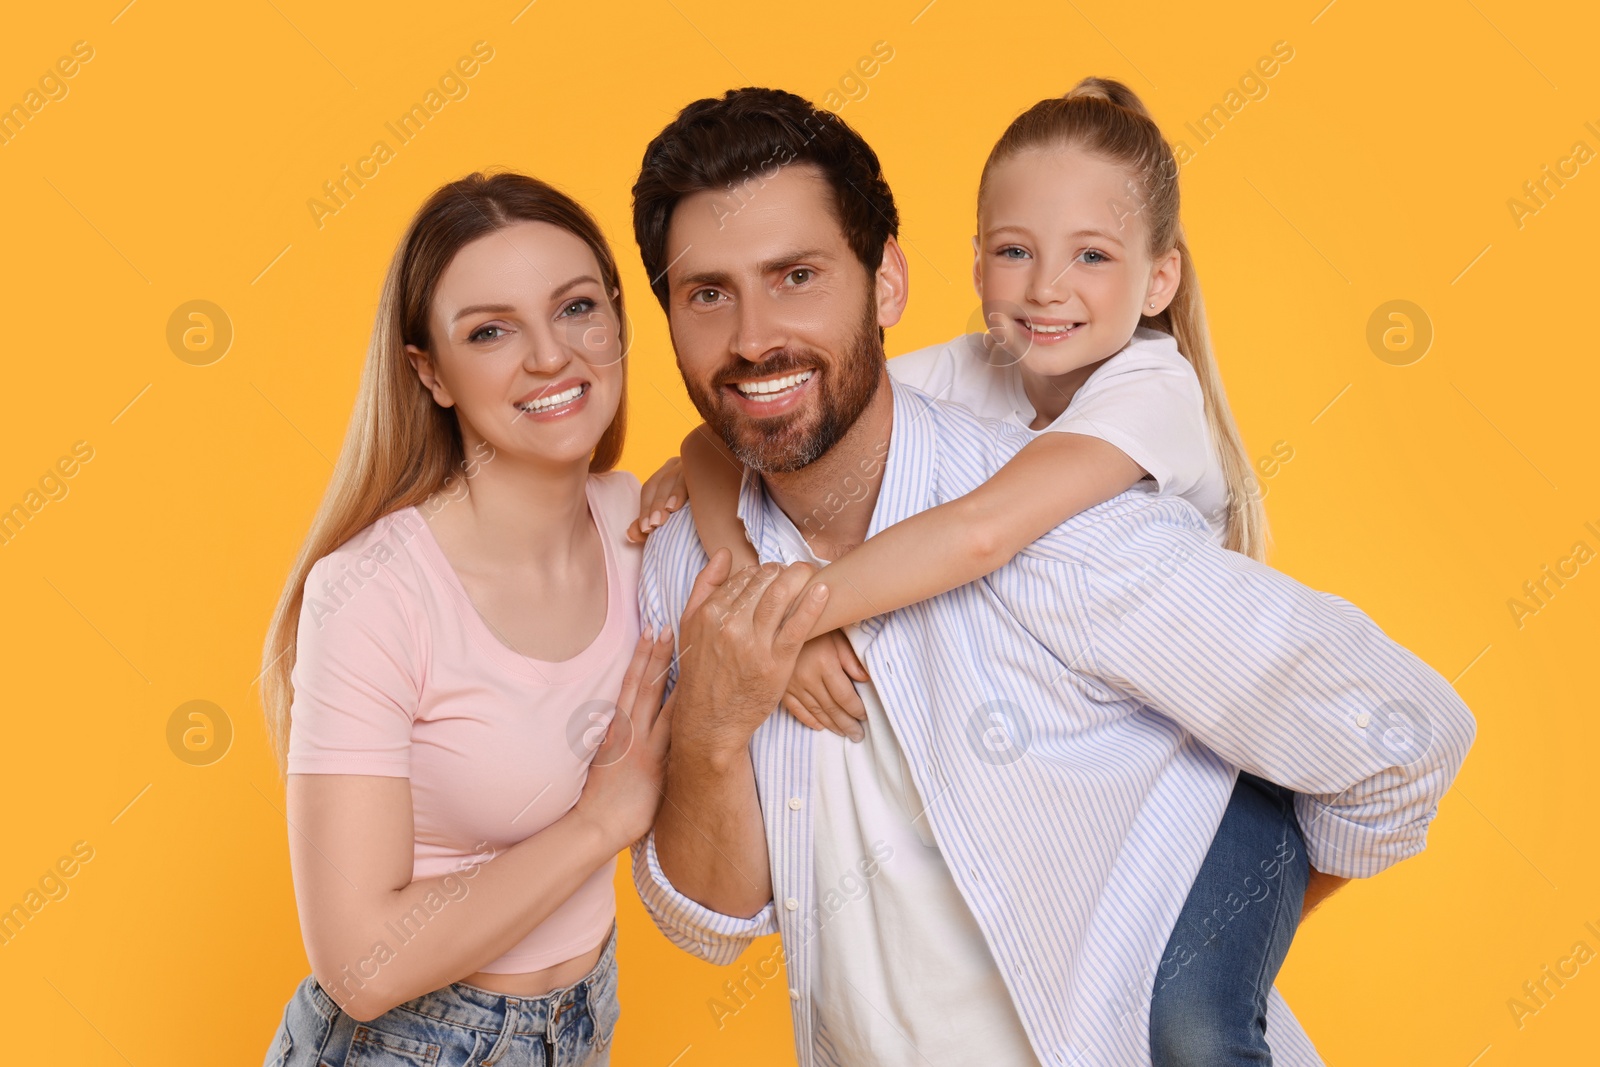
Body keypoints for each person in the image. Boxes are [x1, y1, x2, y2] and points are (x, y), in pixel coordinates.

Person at [627, 86, 1476, 1067]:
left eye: (798, 275)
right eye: (706, 294)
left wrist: (1229, 927)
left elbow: (1409, 734)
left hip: (1202, 871)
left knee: (1197, 1023)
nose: (751, 334)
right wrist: (718, 708)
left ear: (886, 284)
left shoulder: (1079, 517)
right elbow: (708, 922)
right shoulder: (688, 565)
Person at [257, 172, 673, 1067]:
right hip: (405, 1044)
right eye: (491, 330)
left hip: (582, 1021)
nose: (550, 357)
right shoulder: (371, 592)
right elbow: (358, 966)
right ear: (429, 373)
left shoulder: (642, 524)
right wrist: (602, 821)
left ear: (618, 324)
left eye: (576, 309)